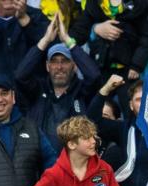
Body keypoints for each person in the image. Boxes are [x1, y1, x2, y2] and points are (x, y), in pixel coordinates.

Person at [15, 14, 101, 151]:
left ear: (75, 65)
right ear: (47, 66)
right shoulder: (37, 89)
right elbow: (20, 76)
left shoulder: (82, 91)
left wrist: (68, 41)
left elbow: (94, 76)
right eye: (54, 61)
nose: (59, 67)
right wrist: (45, 40)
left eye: (65, 61)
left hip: (72, 162)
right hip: (39, 162)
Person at [69, 0, 148, 120]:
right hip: (100, 69)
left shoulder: (141, 4)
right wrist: (95, 29)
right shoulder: (94, 3)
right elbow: (76, 34)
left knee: (132, 113)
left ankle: (131, 138)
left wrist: (136, 65)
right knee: (94, 112)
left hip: (128, 72)